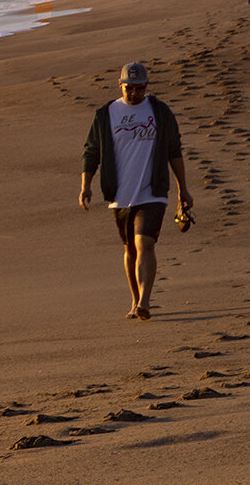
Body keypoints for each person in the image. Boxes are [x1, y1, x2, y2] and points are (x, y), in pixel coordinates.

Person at [79, 62, 194, 321]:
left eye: (140, 88)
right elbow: (91, 151)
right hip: (119, 194)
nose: (134, 93)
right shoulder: (106, 114)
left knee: (145, 243)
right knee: (130, 248)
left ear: (146, 86)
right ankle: (134, 299)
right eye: (129, 88)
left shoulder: (160, 112)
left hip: (152, 190)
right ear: (120, 85)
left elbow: (174, 152)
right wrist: (86, 185)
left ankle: (145, 301)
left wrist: (182, 189)